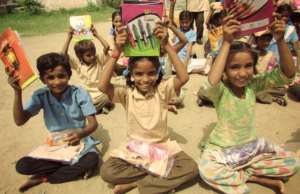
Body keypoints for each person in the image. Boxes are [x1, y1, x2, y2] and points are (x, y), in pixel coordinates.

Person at [198, 14, 299, 194]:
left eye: (248, 66)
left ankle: (244, 172)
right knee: (206, 169)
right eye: (234, 67)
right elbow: (211, 82)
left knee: (292, 164)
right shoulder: (220, 90)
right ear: (224, 70)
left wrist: (281, 40)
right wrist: (227, 42)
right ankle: (254, 177)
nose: (242, 73)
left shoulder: (253, 85)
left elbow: (288, 75)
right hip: (222, 150)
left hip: (250, 149)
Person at [98, 23, 198, 194]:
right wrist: (117, 51)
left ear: (158, 72)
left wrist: (166, 45)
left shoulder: (162, 89)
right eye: (139, 74)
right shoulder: (126, 93)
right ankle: (158, 179)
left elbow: (184, 77)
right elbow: (102, 86)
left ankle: (139, 184)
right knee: (107, 171)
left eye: (151, 73)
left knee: (191, 167)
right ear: (130, 74)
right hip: (136, 149)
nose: (145, 79)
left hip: (162, 147)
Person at [6, 53, 100, 192]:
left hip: (80, 142)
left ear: (68, 75)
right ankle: (73, 168)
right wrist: (17, 92)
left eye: (61, 76)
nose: (56, 82)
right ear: (43, 79)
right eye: (50, 77)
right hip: (56, 145)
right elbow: (19, 121)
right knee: (23, 166)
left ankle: (44, 177)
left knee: (92, 158)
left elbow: (93, 124)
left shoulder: (79, 93)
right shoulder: (40, 95)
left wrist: (81, 133)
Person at [62, 25, 114, 114]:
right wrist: (69, 37)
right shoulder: (78, 64)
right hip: (86, 94)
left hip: (100, 93)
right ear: (80, 56)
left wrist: (96, 35)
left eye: (93, 53)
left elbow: (107, 47)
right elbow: (63, 55)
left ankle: (90, 110)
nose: (92, 56)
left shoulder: (99, 59)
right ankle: (94, 109)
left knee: (108, 97)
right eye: (88, 55)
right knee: (73, 96)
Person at [254, 30, 288, 106]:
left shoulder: (271, 55)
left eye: (268, 40)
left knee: (282, 89)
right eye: (262, 39)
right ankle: (274, 98)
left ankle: (266, 93)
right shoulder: (250, 53)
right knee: (253, 90)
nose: (265, 43)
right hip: (253, 81)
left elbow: (271, 72)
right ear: (256, 40)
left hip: (264, 81)